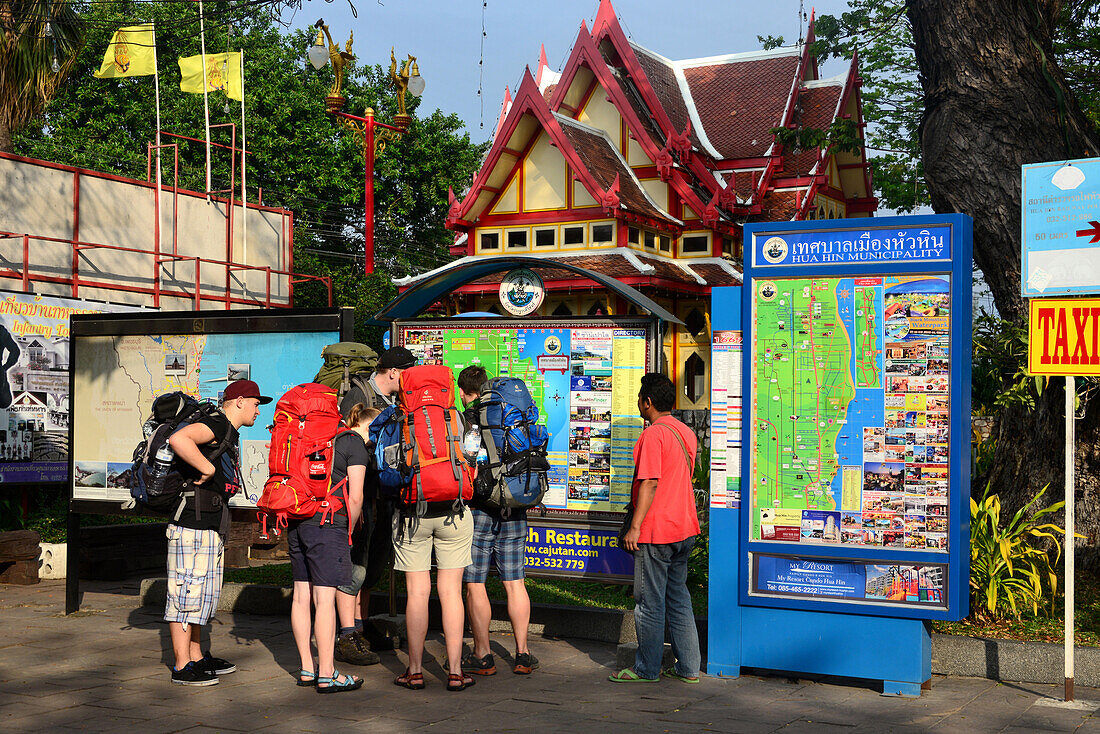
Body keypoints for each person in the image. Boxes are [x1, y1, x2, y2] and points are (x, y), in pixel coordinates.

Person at [165, 379, 271, 686]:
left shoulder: (225, 430)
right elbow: (179, 439)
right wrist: (208, 469)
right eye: (255, 403)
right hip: (191, 523)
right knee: (185, 592)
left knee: (199, 593)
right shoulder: (215, 422)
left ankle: (196, 656)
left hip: (207, 522)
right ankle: (182, 665)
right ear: (238, 401)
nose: (257, 410)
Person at [609, 373, 701, 684]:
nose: (638, 404)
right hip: (684, 527)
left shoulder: (653, 435)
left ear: (647, 402)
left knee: (648, 604)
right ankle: (688, 668)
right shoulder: (685, 432)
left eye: (639, 399)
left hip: (656, 531)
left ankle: (647, 669)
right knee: (678, 597)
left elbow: (649, 482)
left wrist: (634, 528)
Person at [391, 369, 476, 693]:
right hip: (454, 512)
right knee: (452, 592)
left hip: (413, 513)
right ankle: (455, 671)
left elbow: (387, 467)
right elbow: (474, 458)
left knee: (417, 593)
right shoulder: (460, 418)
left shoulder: (400, 419)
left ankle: (414, 671)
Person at [334, 346, 417, 663]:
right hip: (362, 495)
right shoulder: (358, 397)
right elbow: (345, 449)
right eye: (407, 372)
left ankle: (362, 626)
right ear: (395, 372)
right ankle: (347, 634)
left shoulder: (394, 403)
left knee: (372, 567)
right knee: (355, 567)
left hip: (384, 496)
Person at [457, 365, 539, 677]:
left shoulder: (470, 419)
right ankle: (523, 653)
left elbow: (467, 463)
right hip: (515, 506)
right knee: (514, 582)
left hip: (479, 508)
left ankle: (483, 655)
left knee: (475, 583)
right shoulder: (514, 416)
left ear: (465, 392)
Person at [288, 402, 375, 692]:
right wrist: (347, 531)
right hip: (328, 521)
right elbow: (356, 498)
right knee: (324, 599)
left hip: (296, 516)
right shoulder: (353, 444)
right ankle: (327, 673)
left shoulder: (306, 436)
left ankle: (306, 669)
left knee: (301, 595)